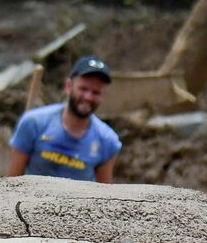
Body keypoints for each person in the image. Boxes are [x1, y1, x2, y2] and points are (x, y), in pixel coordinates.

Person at [7, 55, 121, 183]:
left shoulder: (107, 141)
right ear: (68, 86)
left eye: (96, 92)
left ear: (103, 96)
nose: (88, 97)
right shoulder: (34, 123)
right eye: (83, 89)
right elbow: (12, 181)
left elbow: (105, 194)